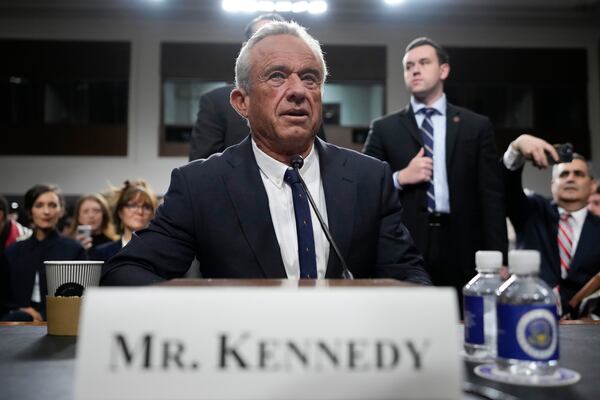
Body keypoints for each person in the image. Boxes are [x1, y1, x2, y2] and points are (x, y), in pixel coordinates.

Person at [102, 21, 430, 286]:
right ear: (241, 102)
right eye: (277, 76)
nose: (298, 91)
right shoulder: (201, 185)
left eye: (310, 78)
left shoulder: (370, 178)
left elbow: (410, 278)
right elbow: (125, 272)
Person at [363, 37, 507, 302]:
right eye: (408, 66)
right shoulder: (384, 129)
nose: (414, 70)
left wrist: (500, 257)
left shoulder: (476, 126)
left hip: (465, 246)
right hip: (404, 246)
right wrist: (400, 177)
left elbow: (491, 197)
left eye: (423, 62)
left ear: (444, 70)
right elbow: (364, 189)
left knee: (468, 326)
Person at [188, 13, 325, 161]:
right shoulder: (215, 102)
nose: (297, 91)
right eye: (261, 38)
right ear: (241, 102)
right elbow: (202, 168)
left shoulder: (308, 97)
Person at [503, 133, 600, 314]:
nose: (570, 178)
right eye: (564, 174)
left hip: (586, 324)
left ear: (593, 186)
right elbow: (506, 188)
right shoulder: (531, 210)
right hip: (527, 314)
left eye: (578, 174)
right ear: (552, 184)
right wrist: (516, 148)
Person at [0, 185, 86, 321]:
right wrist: (20, 311)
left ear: (61, 210)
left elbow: (81, 295)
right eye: (39, 205)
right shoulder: (12, 252)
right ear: (29, 211)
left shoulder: (74, 250)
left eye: (52, 205)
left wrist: (43, 315)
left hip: (63, 321)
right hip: (17, 323)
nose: (46, 211)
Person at [92, 180, 157, 262]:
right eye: (133, 205)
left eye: (146, 207)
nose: (140, 211)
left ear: (152, 213)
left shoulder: (160, 251)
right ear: (120, 212)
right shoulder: (102, 253)